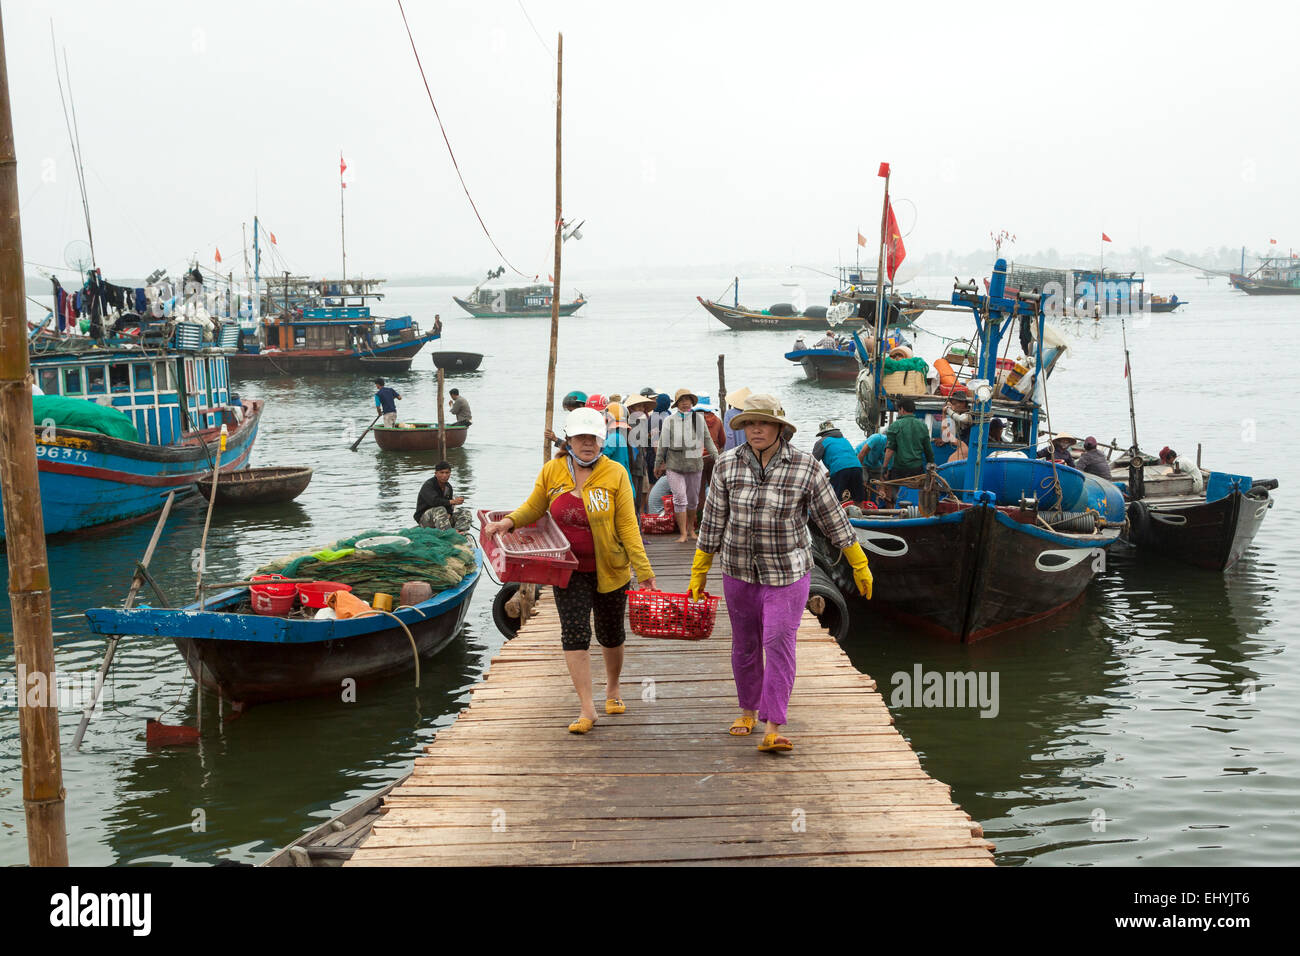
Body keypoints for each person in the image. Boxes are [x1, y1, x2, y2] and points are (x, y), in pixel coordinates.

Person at [690, 393, 873, 754]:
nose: (756, 429)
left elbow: (832, 519)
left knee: (777, 642)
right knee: (744, 644)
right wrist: (700, 568)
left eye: (764, 423)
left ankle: (773, 724)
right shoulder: (727, 465)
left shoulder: (807, 467)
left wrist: (858, 561)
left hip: (788, 572)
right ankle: (747, 709)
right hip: (738, 570)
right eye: (750, 424)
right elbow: (712, 521)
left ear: (779, 429)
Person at [482, 408, 655, 734]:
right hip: (567, 569)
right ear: (569, 440)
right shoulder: (552, 471)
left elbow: (629, 525)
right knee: (574, 634)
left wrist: (643, 570)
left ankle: (613, 688)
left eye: (593, 438)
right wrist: (507, 522)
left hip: (611, 568)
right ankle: (587, 708)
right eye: (581, 437)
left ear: (601, 440)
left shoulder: (615, 473)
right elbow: (535, 506)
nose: (587, 443)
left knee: (611, 633)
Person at [655, 388, 719, 542]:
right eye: (681, 401)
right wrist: (658, 463)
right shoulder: (669, 421)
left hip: (694, 464)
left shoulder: (699, 419)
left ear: (691, 402)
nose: (685, 403)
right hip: (674, 464)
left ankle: (691, 529)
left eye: (687, 400)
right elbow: (663, 443)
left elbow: (708, 440)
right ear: (677, 404)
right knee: (680, 498)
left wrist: (717, 458)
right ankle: (683, 533)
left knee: (693, 499)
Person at [883, 397, 934, 485]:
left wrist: (884, 467)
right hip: (917, 469)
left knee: (897, 495)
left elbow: (890, 449)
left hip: (899, 470)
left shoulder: (895, 425)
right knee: (915, 493)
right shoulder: (923, 426)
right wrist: (931, 464)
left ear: (902, 409)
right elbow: (928, 449)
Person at [813, 420, 866, 502]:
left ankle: (835, 513)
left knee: (833, 498)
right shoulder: (844, 440)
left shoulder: (821, 442)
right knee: (858, 498)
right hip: (857, 468)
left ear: (822, 434)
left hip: (840, 471)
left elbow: (812, 462)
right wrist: (825, 475)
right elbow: (845, 463)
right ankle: (861, 512)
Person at [414, 461, 471, 532]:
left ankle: (457, 532)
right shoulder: (428, 485)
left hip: (441, 518)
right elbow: (434, 502)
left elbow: (449, 507)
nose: (444, 475)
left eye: (447, 473)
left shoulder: (448, 487)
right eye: (442, 472)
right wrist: (453, 501)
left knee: (466, 513)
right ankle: (447, 535)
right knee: (440, 509)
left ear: (450, 474)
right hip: (425, 520)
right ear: (436, 473)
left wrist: (449, 514)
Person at [624, 393, 657, 512]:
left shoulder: (641, 423)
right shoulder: (628, 425)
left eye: (643, 407)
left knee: (643, 491)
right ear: (631, 409)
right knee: (635, 495)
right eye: (639, 407)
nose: (642, 409)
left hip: (642, 464)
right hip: (634, 466)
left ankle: (641, 518)